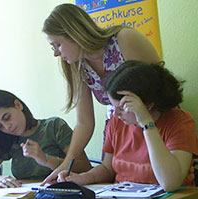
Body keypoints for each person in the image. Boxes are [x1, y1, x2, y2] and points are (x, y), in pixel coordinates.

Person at [41, 3, 161, 184]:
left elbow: (160, 88)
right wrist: (67, 164)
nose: (56, 54)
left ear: (75, 34)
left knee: (155, 180)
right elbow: (84, 122)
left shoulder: (124, 39)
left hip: (153, 122)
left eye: (58, 45)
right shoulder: (77, 66)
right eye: (53, 48)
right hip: (119, 127)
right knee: (119, 184)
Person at [58, 61, 198, 192]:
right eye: (114, 107)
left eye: (122, 107)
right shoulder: (117, 122)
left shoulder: (180, 121)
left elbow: (170, 183)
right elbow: (108, 168)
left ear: (148, 105)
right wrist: (81, 178)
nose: (116, 114)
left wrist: (146, 123)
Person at [0, 89, 91, 188]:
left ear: (18, 105)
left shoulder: (54, 127)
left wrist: (46, 159)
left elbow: (84, 167)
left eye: (7, 118)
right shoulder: (8, 139)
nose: (7, 127)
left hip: (62, 195)